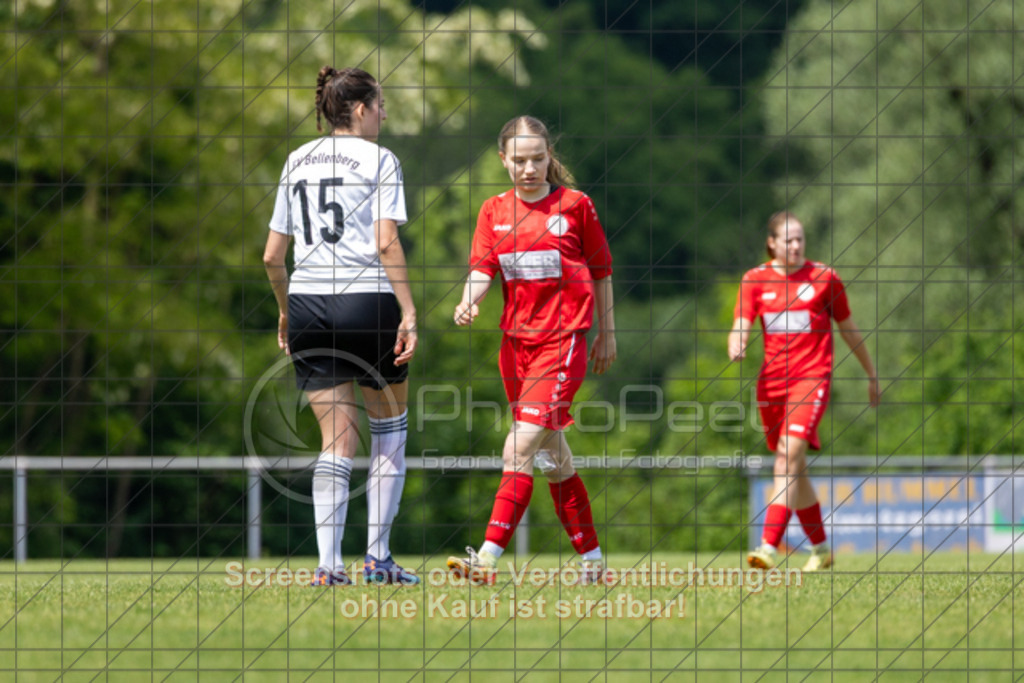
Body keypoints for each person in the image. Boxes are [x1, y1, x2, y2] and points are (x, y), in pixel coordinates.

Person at [263, 66, 418, 586]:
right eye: (380, 105)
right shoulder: (381, 160)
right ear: (359, 110)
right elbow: (385, 242)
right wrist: (410, 312)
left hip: (308, 304)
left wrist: (286, 310)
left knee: (335, 442)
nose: (385, 113)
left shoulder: (295, 160)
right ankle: (378, 558)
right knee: (389, 429)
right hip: (367, 302)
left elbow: (271, 256)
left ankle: (329, 567)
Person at [446, 116, 616, 585]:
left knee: (517, 448)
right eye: (519, 160)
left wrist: (608, 332)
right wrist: (468, 300)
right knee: (555, 461)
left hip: (562, 343)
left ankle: (486, 559)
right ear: (504, 160)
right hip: (514, 347)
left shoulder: (576, 206)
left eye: (538, 158)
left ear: (549, 157)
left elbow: (602, 269)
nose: (529, 168)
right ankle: (594, 563)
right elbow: (483, 267)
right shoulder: (493, 211)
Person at [728, 211, 879, 571]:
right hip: (771, 386)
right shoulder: (754, 279)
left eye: (800, 239)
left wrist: (872, 374)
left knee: (786, 459)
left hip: (811, 380)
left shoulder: (824, 278)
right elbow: (741, 322)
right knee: (797, 469)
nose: (795, 246)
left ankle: (768, 546)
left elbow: (849, 330)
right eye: (788, 239)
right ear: (772, 243)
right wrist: (737, 342)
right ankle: (822, 551)